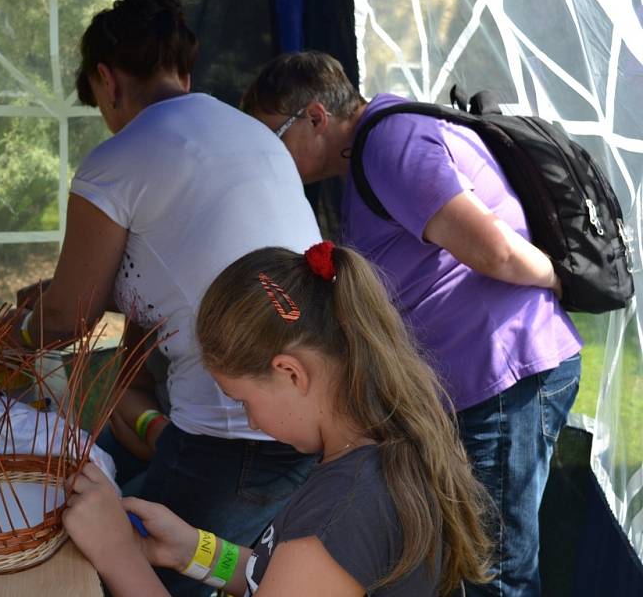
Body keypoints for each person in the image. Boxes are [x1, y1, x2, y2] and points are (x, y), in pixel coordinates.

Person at [239, 51, 583, 597]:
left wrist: (566, 281)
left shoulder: (388, 144)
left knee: (494, 572)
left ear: (314, 117)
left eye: (272, 137)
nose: (268, 157)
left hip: (502, 373)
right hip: (476, 382)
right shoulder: (372, 153)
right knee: (471, 562)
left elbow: (493, 249)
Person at [15, 0, 322, 594]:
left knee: (95, 566)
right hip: (307, 420)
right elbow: (167, 282)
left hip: (232, 439)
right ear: (184, 68)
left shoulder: (120, 157)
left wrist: (17, 328)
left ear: (106, 79)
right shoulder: (254, 138)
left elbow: (66, 318)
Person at [62, 242, 493, 596]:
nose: (247, 419)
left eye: (241, 401)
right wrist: (193, 551)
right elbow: (293, 575)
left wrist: (118, 555)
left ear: (290, 372)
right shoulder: (375, 452)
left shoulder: (344, 509)